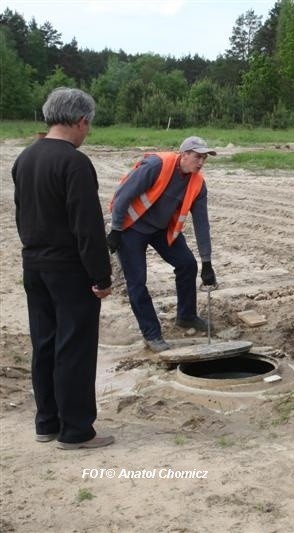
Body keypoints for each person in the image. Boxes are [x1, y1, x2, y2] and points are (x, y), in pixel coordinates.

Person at [12, 87, 115, 449]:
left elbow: (21, 214)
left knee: (45, 344)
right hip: (69, 270)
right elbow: (86, 228)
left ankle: (47, 422)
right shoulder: (74, 163)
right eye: (89, 125)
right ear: (81, 120)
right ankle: (75, 431)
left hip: (34, 264)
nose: (88, 132)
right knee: (75, 347)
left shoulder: (24, 158)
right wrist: (101, 276)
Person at [107, 136, 218, 352]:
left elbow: (202, 224)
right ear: (183, 155)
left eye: (204, 158)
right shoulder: (157, 165)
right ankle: (152, 334)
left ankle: (186, 316)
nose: (201, 162)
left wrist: (207, 262)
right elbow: (122, 196)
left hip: (161, 230)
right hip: (132, 228)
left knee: (187, 264)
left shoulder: (197, 184)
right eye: (197, 157)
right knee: (137, 281)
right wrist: (116, 230)